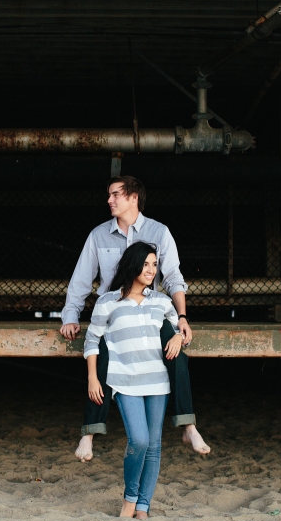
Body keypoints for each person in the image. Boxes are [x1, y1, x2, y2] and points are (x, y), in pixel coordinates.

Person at [60, 176, 210, 461]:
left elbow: (174, 277)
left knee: (178, 354)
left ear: (133, 198)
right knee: (101, 358)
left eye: (115, 194)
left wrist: (182, 318)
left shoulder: (159, 231)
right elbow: (81, 280)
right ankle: (89, 432)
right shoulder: (98, 235)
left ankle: (188, 424)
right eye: (109, 195)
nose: (109, 200)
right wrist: (70, 316)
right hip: (113, 314)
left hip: (151, 312)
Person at [85, 242, 179, 518]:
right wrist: (93, 378)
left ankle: (143, 507)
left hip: (158, 380)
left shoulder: (161, 301)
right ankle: (130, 497)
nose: (151, 270)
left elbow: (179, 327)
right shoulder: (107, 302)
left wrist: (177, 335)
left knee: (154, 444)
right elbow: (92, 340)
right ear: (132, 265)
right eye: (146, 264)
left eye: (154, 264)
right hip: (124, 380)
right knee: (138, 439)